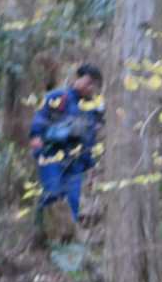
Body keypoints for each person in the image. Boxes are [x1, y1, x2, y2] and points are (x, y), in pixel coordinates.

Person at [29, 64, 105, 239]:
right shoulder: (58, 97)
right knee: (52, 193)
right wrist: (37, 146)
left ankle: (67, 241)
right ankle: (43, 235)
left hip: (75, 160)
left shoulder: (92, 108)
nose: (90, 87)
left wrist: (89, 163)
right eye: (88, 82)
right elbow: (39, 121)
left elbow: (91, 136)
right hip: (52, 155)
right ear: (77, 79)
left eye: (94, 85)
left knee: (73, 201)